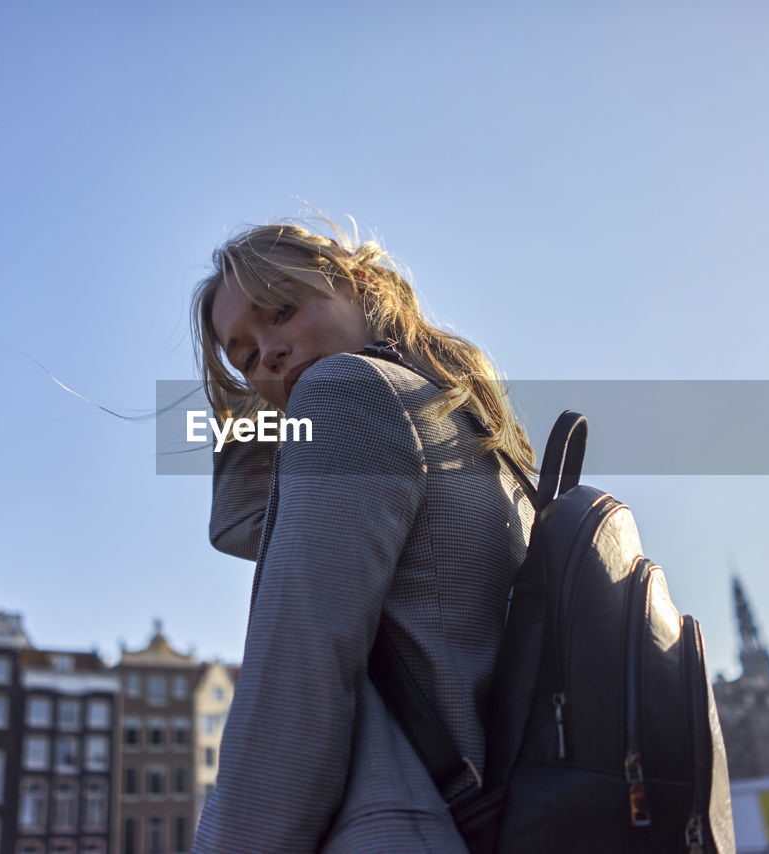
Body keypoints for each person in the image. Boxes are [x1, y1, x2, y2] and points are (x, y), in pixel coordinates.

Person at [189, 218, 536, 853]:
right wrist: (267, 396)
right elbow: (243, 527)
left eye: (283, 309)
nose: (265, 352)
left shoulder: (348, 393)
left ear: (360, 282)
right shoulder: (456, 417)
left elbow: (295, 679)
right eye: (242, 355)